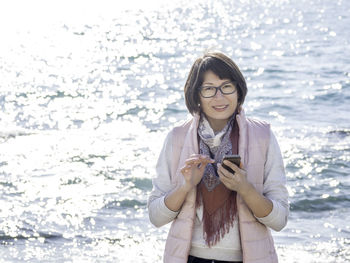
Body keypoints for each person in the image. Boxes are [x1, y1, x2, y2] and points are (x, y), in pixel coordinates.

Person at [148, 51, 289, 263]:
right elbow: (156, 217)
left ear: (238, 90)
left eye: (227, 86)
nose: (219, 97)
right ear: (196, 96)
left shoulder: (263, 136)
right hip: (190, 258)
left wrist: (245, 188)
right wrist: (185, 186)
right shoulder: (177, 137)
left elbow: (279, 220)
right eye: (209, 89)